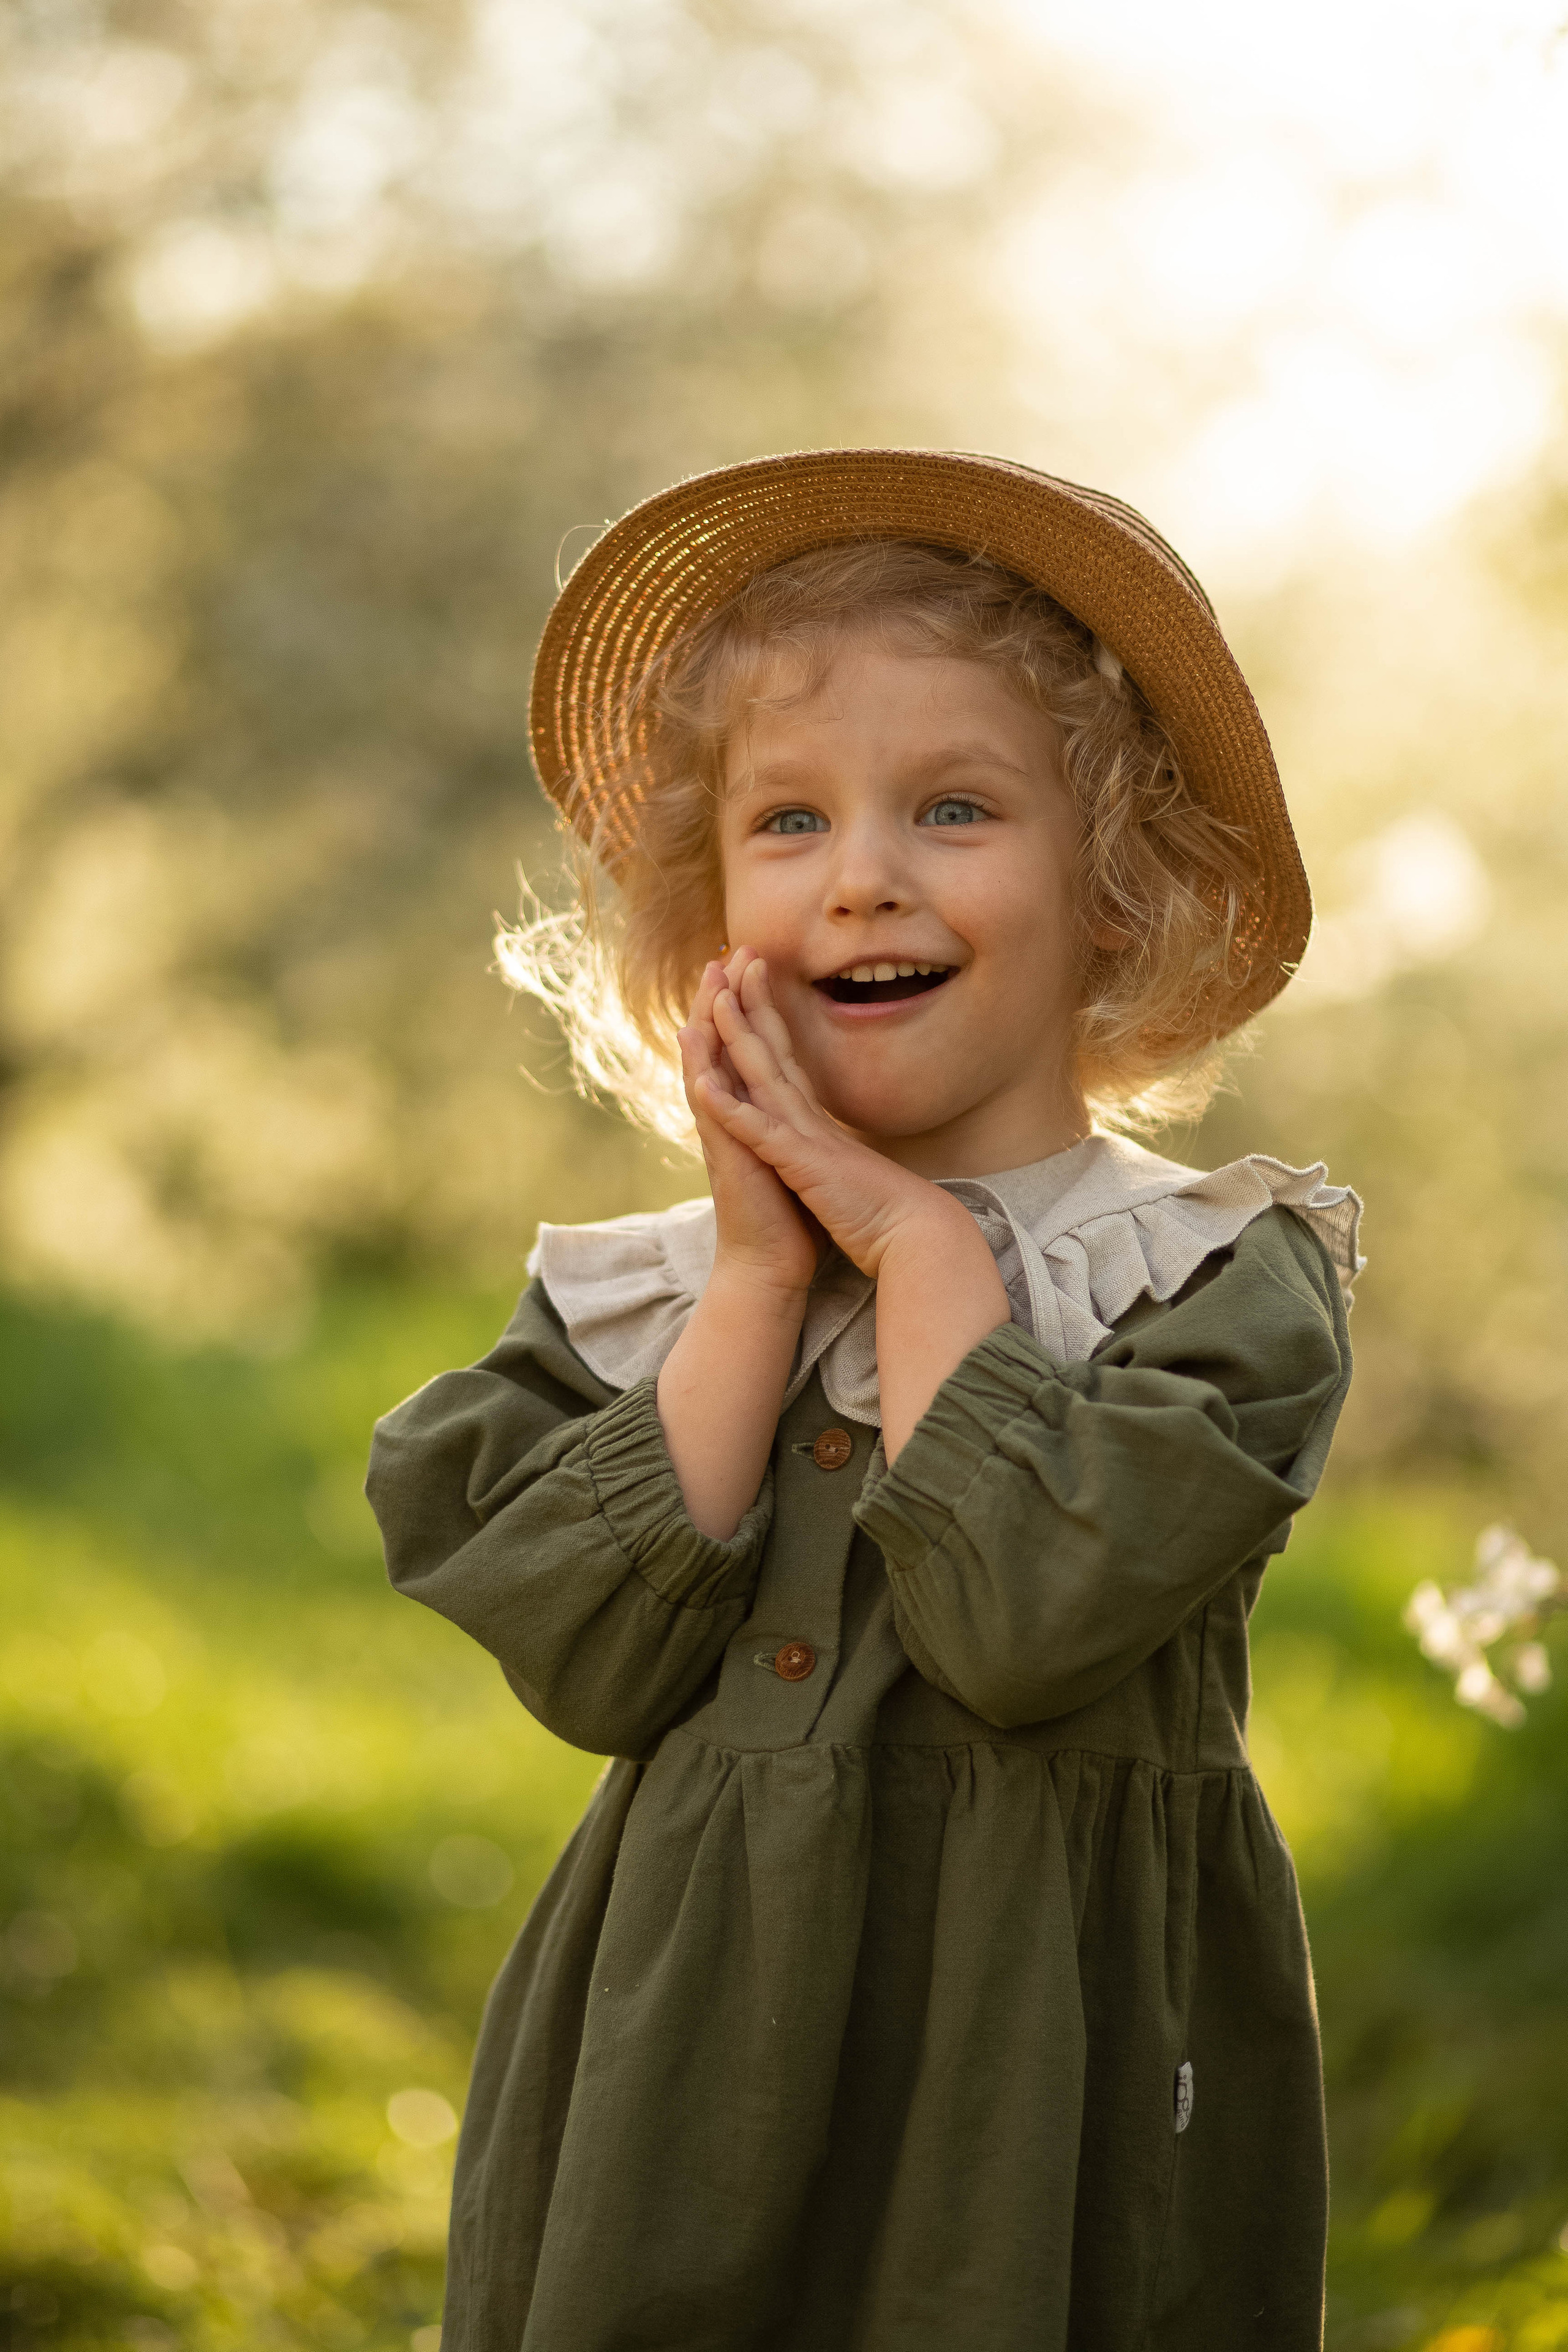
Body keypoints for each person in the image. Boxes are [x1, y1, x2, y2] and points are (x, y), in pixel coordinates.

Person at [366, 450, 1363, 2352]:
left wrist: (918, 1254)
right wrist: (762, 1272)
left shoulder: (1214, 1279)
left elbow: (1023, 1617)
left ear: (1115, 893)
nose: (866, 874)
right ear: (708, 906)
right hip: (681, 2058)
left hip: (1041, 2070)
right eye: (791, 821)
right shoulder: (663, 1289)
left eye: (957, 808)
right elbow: (582, 1659)